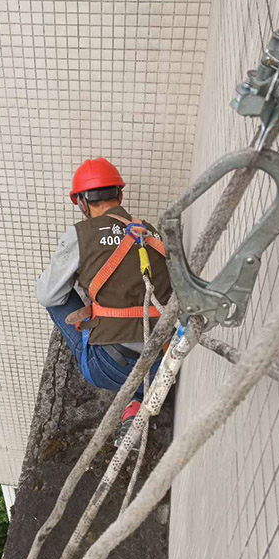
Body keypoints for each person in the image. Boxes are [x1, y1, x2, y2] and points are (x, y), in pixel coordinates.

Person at [36, 158, 172, 445]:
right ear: (119, 195)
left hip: (112, 366)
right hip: (163, 356)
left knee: (53, 297)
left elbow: (49, 294)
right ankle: (138, 400)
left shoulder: (80, 235)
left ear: (82, 203)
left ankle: (133, 396)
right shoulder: (149, 231)